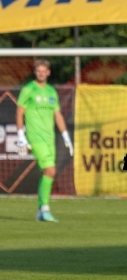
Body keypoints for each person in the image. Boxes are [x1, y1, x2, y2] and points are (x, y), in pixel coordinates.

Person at [16, 59, 73, 223]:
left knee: (48, 173)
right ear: (35, 72)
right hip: (35, 137)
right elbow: (20, 112)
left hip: (50, 138)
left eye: (44, 71)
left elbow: (58, 115)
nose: (41, 73)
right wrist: (21, 135)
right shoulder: (28, 89)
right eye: (38, 70)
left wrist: (65, 136)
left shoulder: (51, 91)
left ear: (48, 73)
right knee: (50, 170)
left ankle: (41, 210)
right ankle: (45, 209)